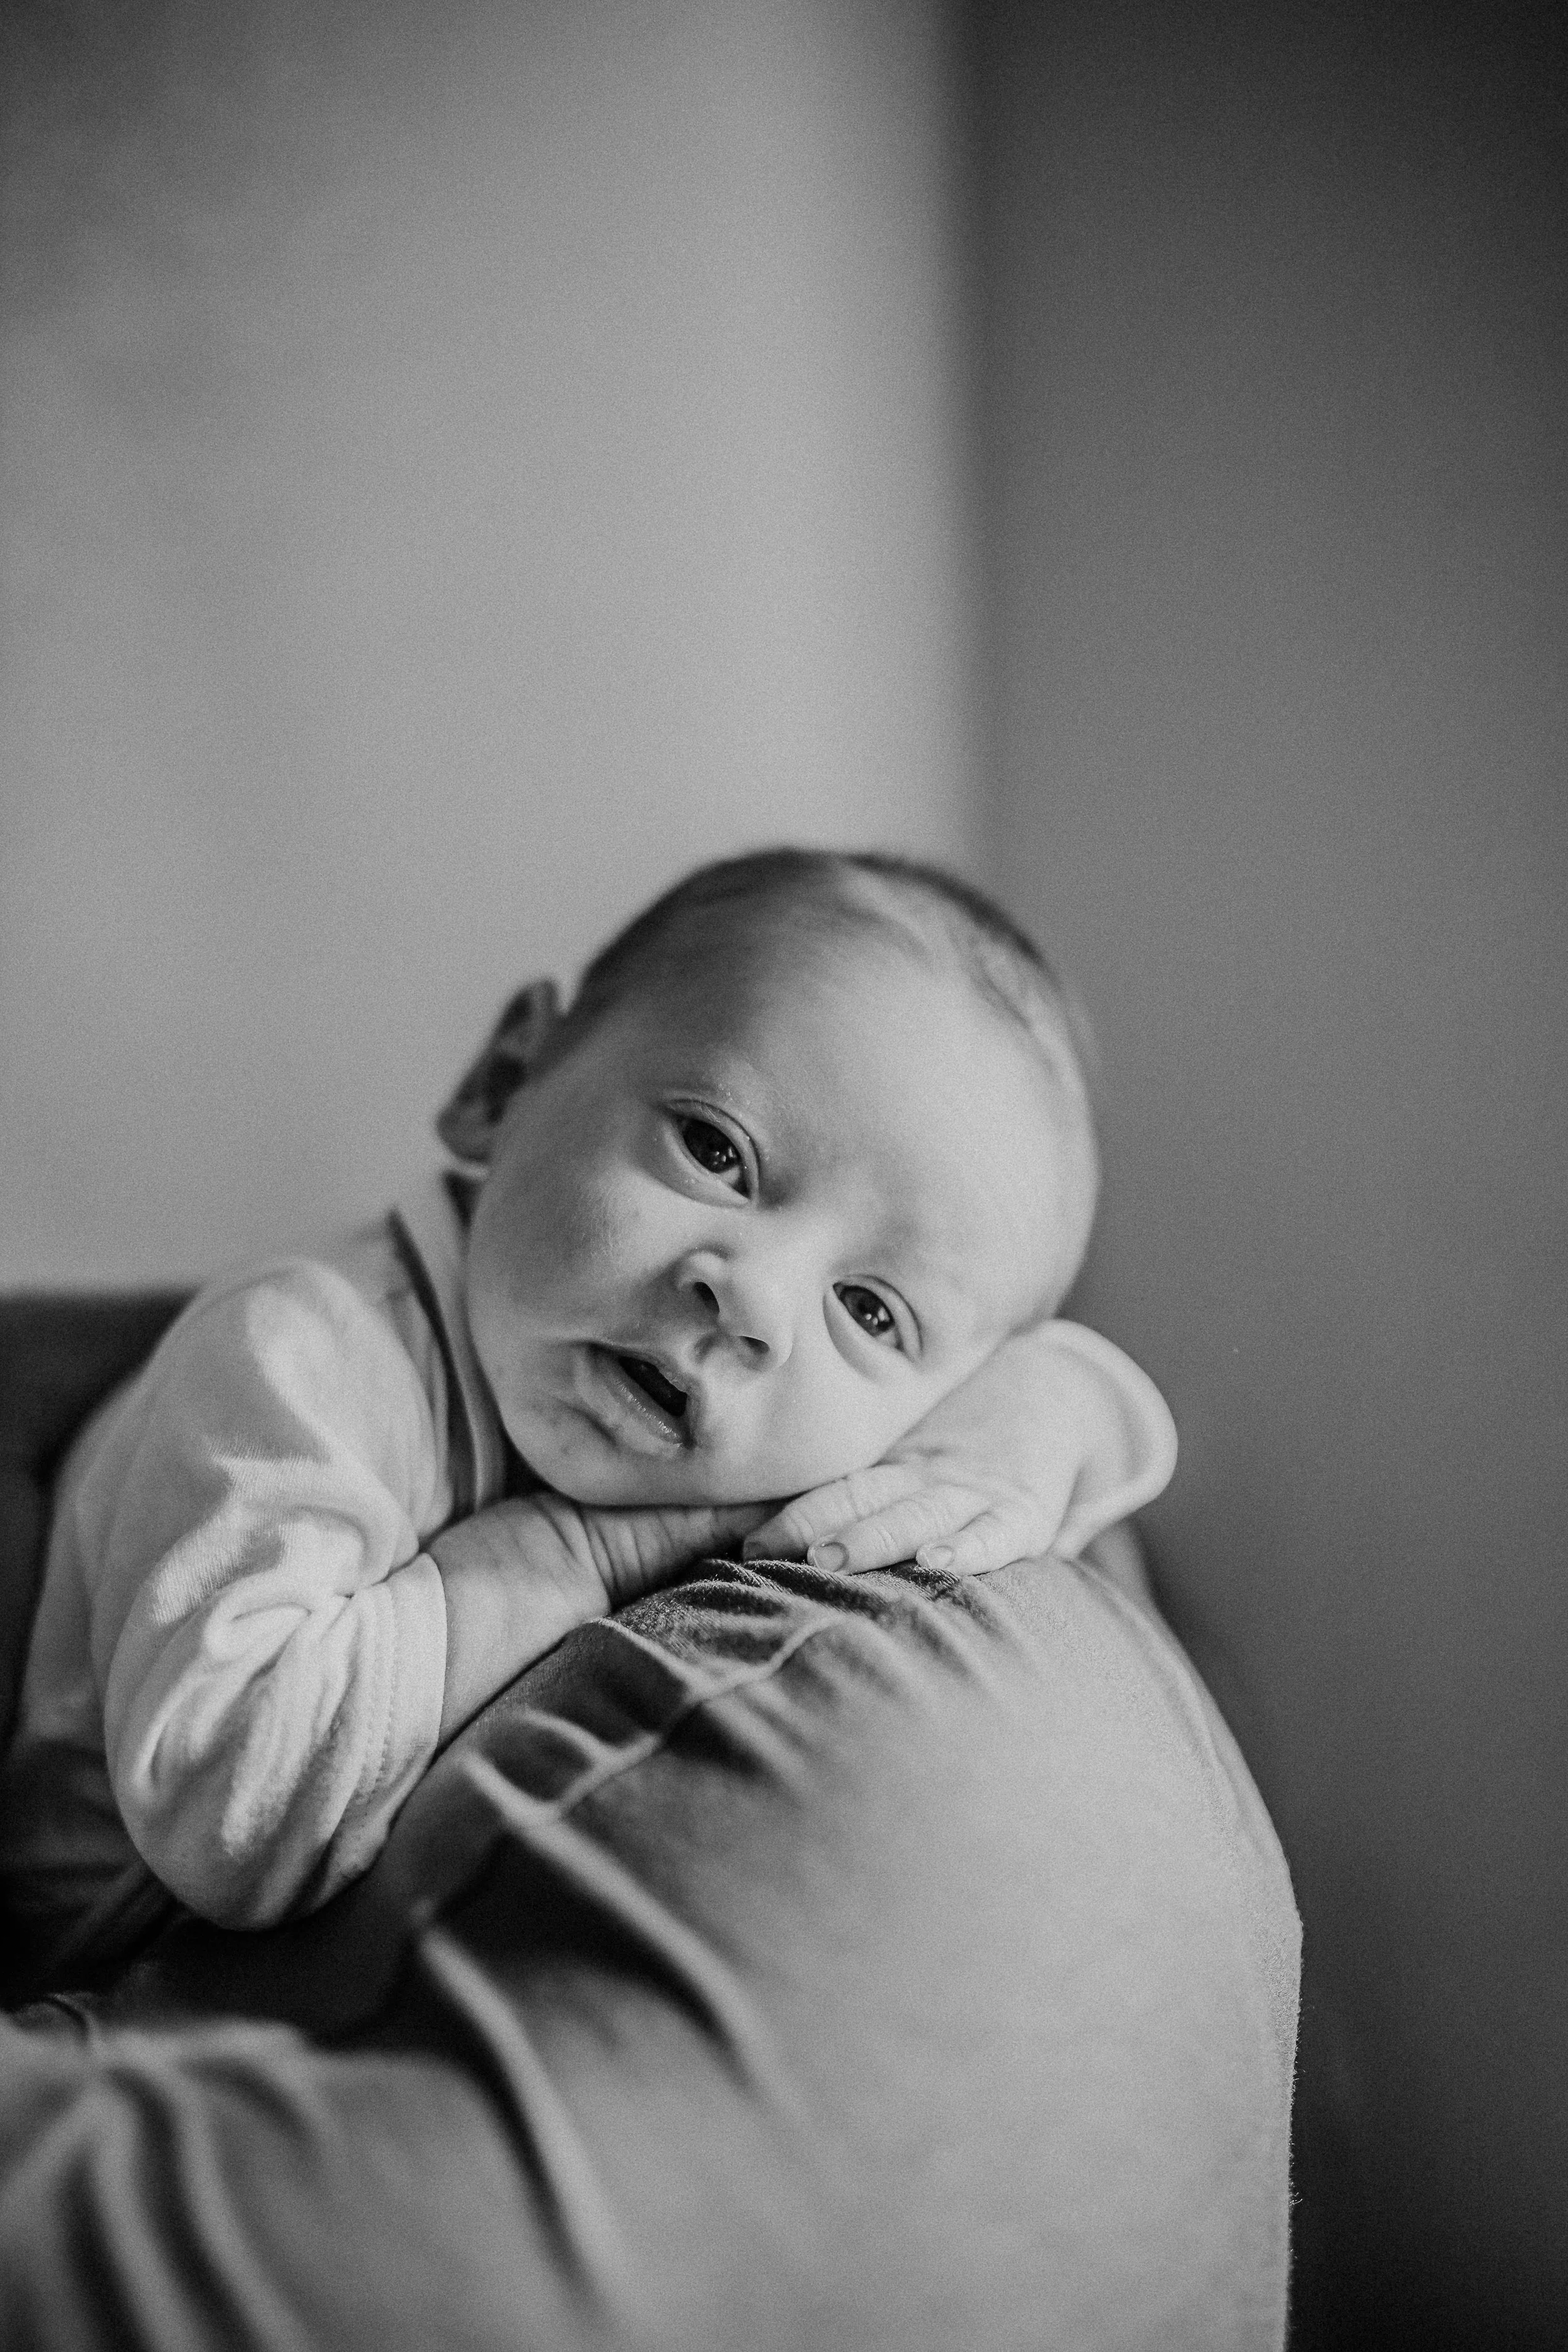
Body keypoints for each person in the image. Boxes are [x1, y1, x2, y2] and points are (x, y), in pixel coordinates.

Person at [0, 847, 1175, 1998]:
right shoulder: (303, 1355)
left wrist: (1053, 1409)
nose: (755, 1299)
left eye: (869, 1307)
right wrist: (572, 1554)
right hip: (102, 1947)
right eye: (717, 1150)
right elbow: (227, 1810)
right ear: (503, 1081)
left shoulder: (835, 1402)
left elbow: (1072, 1429)